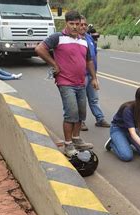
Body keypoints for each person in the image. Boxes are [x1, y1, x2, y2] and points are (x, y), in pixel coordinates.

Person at [35, 10, 98, 157]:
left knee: (81, 113)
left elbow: (88, 61)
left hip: (81, 82)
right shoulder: (58, 37)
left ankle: (76, 139)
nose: (75, 27)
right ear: (66, 23)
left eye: (78, 24)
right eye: (72, 24)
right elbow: (39, 49)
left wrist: (94, 78)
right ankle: (68, 144)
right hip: (65, 82)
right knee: (71, 113)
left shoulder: (83, 40)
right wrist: (54, 64)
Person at [104, 86, 140, 162]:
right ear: (139, 100)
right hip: (118, 129)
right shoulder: (128, 109)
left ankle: (125, 141)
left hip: (132, 130)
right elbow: (132, 133)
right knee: (127, 156)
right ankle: (112, 143)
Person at [79, 17, 110, 131]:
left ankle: (100, 119)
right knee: (80, 100)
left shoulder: (89, 38)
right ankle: (80, 121)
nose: (83, 27)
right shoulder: (75, 39)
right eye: (81, 24)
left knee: (94, 99)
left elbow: (94, 56)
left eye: (85, 25)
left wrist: (95, 76)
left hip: (91, 75)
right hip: (80, 76)